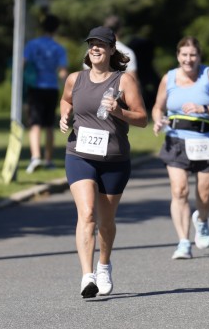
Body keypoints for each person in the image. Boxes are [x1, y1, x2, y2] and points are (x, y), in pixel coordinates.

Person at [59, 26, 148, 298]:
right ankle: (87, 276)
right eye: (92, 44)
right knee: (87, 213)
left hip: (114, 158)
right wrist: (64, 116)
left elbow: (142, 118)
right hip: (79, 154)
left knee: (106, 221)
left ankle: (104, 265)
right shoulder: (75, 79)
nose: (95, 48)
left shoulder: (124, 81)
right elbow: (66, 101)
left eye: (101, 44)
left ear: (111, 49)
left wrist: (119, 112)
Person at [151, 36, 209, 259]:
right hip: (176, 139)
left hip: (206, 139)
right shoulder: (169, 78)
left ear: (199, 56)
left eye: (193, 55)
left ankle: (202, 220)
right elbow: (157, 107)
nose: (188, 59)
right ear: (178, 56)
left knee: (204, 194)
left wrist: (203, 108)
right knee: (179, 190)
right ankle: (183, 242)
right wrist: (158, 120)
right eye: (184, 55)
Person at [23, 14, 68, 173]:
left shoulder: (32, 45)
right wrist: (68, 91)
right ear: (56, 29)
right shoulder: (58, 48)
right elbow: (62, 72)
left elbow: (23, 63)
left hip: (35, 87)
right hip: (51, 88)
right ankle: (48, 160)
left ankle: (35, 157)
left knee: (35, 123)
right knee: (49, 125)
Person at [105, 14, 158, 108]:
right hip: (119, 101)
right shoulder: (127, 52)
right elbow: (133, 82)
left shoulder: (92, 52)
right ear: (120, 29)